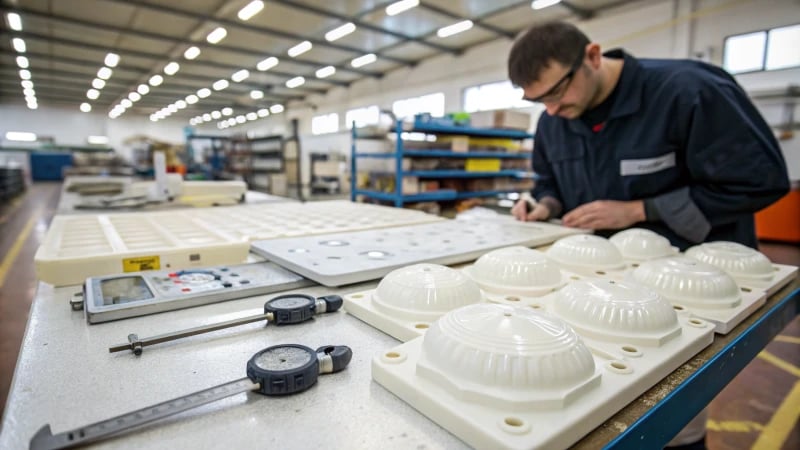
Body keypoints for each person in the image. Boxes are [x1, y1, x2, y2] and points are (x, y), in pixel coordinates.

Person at [507, 21, 790, 449]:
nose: (549, 109)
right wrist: (543, 204)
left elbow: (760, 180)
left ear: (593, 57)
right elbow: (551, 184)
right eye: (536, 100)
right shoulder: (554, 121)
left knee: (674, 423)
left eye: (555, 92)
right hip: (596, 288)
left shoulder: (689, 92)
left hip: (689, 297)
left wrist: (641, 210)